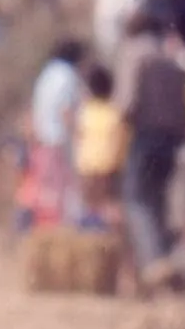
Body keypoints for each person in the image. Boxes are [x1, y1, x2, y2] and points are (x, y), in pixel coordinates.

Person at [114, 11, 185, 282]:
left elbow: (126, 102)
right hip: (173, 138)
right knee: (160, 201)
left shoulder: (134, 53)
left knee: (136, 198)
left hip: (145, 135)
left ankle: (154, 261)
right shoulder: (171, 56)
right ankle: (172, 260)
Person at [24, 36, 86, 226]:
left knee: (48, 188)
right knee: (63, 188)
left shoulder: (47, 74)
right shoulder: (67, 75)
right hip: (59, 139)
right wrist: (79, 135)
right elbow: (65, 109)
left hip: (44, 138)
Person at [74, 62, 127, 222]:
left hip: (87, 166)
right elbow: (122, 140)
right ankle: (113, 232)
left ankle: (91, 230)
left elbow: (78, 137)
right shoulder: (115, 113)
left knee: (90, 204)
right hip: (110, 166)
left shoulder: (85, 112)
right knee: (111, 203)